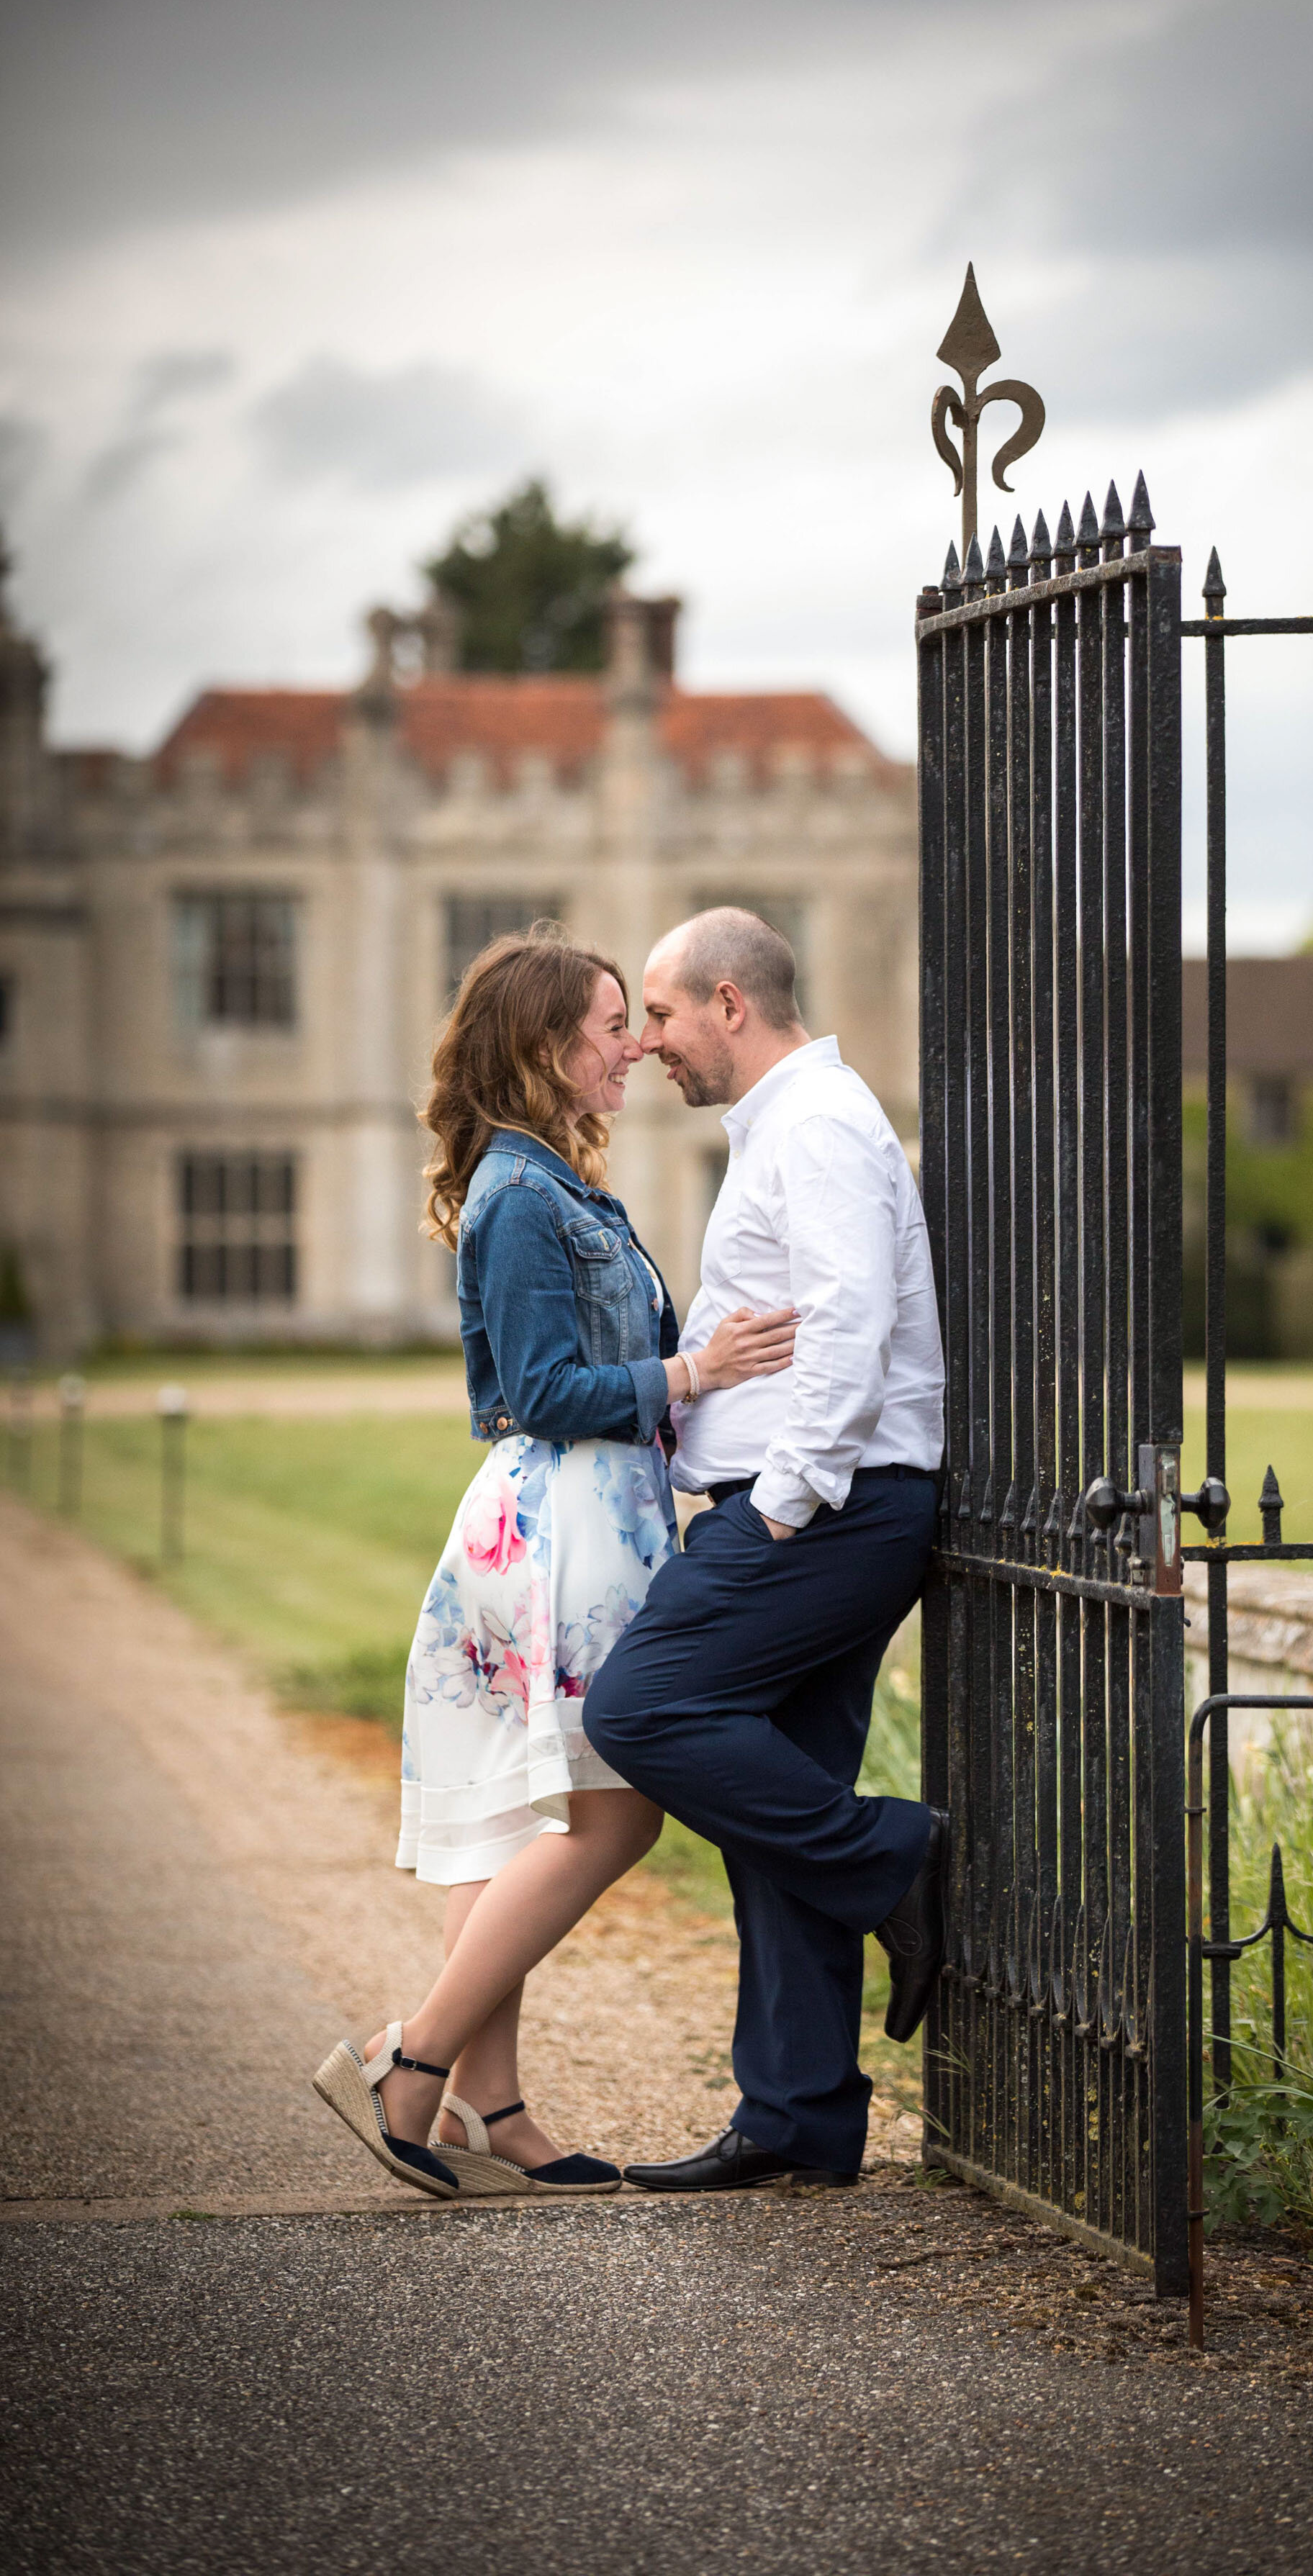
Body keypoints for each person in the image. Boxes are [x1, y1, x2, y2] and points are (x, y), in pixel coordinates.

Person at [313, 926, 798, 2201]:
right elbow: (538, 1388)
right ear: (543, 1046)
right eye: (607, 1024)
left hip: (601, 1512)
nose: (632, 1043)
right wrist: (692, 1372)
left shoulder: (570, 1187)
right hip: (563, 1525)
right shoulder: (522, 1197)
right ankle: (411, 2065)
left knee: (550, 1815)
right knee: (613, 1811)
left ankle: (490, 2103)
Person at [580, 905, 949, 2193]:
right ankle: (796, 2118)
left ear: (731, 1005)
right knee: (775, 1800)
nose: (648, 1048)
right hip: (827, 1502)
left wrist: (780, 1506)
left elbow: (850, 1327)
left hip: (829, 1507)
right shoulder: (787, 1127)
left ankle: (893, 1856)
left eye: (664, 1018)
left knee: (643, 1704)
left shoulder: (824, 1125)